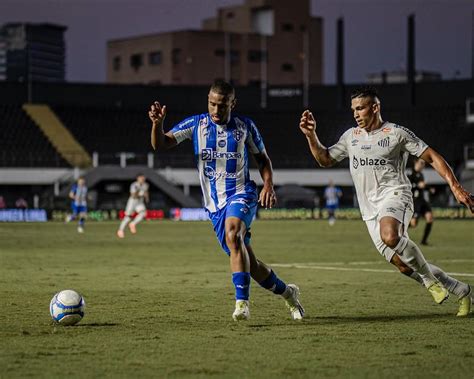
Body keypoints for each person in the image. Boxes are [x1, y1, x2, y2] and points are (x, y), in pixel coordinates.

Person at [299, 86, 473, 317]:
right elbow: (325, 159)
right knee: (403, 264)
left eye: (360, 108)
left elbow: (431, 156)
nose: (356, 114)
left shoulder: (396, 133)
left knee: (390, 236)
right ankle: (460, 289)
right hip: (369, 209)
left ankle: (430, 282)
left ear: (375, 107)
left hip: (396, 195)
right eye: (353, 110)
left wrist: (456, 187)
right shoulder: (351, 137)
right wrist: (311, 135)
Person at [149, 79, 304, 321]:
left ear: (233, 103)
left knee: (234, 235)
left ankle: (242, 304)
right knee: (250, 264)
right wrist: (157, 125)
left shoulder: (245, 127)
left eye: (222, 105)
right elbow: (161, 144)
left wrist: (268, 185)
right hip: (214, 205)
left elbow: (262, 159)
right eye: (212, 104)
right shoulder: (196, 124)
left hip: (242, 192)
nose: (216, 110)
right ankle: (288, 293)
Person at [408, 158, 435, 245]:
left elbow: (422, 186)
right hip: (415, 201)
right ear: (415, 162)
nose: (423, 165)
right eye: (421, 163)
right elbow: (408, 187)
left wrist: (429, 189)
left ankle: (424, 241)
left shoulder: (421, 175)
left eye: (424, 164)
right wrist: (416, 185)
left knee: (430, 218)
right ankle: (398, 229)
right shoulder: (410, 174)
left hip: (422, 200)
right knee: (413, 224)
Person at [117, 174, 149, 238]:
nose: (142, 179)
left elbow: (146, 192)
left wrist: (147, 198)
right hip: (132, 202)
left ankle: (133, 224)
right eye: (141, 178)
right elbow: (133, 195)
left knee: (143, 213)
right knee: (128, 217)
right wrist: (139, 192)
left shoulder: (145, 185)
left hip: (139, 202)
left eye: (143, 178)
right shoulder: (134, 185)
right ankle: (120, 230)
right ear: (138, 178)